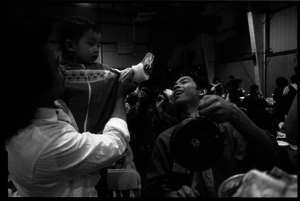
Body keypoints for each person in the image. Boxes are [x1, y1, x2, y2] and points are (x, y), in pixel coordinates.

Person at [5, 17, 137, 197]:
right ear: (36, 82)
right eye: (56, 65)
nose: (65, 71)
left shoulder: (42, 116)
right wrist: (120, 93)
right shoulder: (48, 144)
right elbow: (115, 144)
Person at [144, 73, 280, 197]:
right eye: (175, 85)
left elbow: (271, 158)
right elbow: (153, 188)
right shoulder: (166, 138)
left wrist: (235, 113)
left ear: (202, 91)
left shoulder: (229, 128)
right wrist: (173, 195)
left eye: (184, 81)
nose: (176, 85)